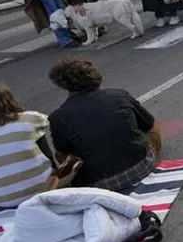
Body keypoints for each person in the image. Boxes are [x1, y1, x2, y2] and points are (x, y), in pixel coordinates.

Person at [48, 57, 159, 190]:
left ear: (62, 84)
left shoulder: (57, 117)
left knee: (63, 155)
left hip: (99, 184)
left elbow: (64, 154)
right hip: (141, 168)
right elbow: (147, 124)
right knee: (153, 128)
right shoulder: (119, 95)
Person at [0, 82, 53, 208]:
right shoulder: (31, 118)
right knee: (37, 136)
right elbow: (46, 126)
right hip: (41, 189)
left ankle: (5, 185)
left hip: (0, 200)